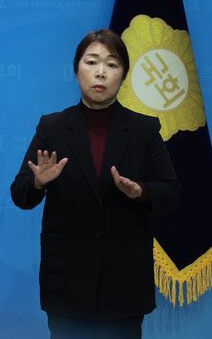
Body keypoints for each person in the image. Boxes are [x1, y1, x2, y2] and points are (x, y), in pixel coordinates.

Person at [10, 29, 181, 339]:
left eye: (112, 64)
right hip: (67, 282)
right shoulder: (53, 127)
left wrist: (140, 192)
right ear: (76, 70)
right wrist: (37, 182)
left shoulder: (143, 130)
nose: (101, 72)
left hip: (124, 284)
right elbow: (19, 194)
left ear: (123, 75)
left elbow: (171, 193)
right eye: (91, 62)